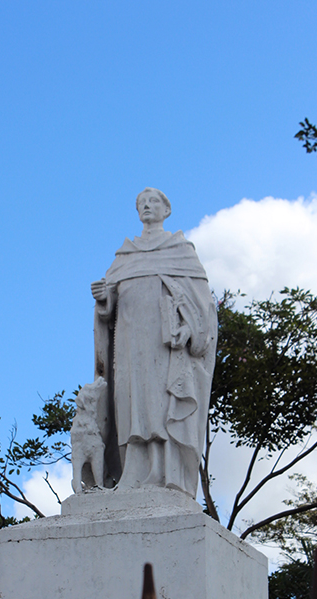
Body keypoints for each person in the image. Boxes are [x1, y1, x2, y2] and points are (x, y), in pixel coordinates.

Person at [90, 188, 216, 497]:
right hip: (129, 345)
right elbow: (110, 307)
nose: (147, 206)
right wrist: (104, 300)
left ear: (166, 210)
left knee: (162, 406)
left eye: (154, 201)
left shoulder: (180, 251)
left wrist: (190, 331)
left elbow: (202, 306)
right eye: (141, 203)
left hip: (166, 347)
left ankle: (167, 475)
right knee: (130, 405)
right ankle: (132, 473)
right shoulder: (125, 255)